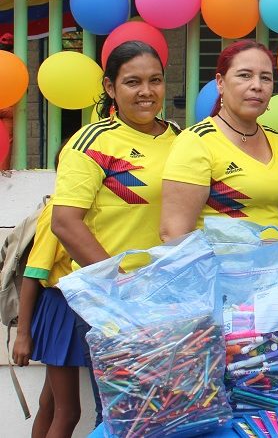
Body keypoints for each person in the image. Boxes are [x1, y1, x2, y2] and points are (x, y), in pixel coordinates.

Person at [50, 40, 179, 428]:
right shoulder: (92, 142)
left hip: (173, 300)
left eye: (155, 81)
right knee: (121, 416)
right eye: (133, 82)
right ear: (110, 88)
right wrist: (122, 286)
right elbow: (65, 221)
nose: (146, 92)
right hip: (112, 302)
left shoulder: (180, 137)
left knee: (173, 412)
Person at [160, 40, 278, 240]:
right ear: (220, 83)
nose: (257, 86)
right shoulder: (196, 142)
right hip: (221, 270)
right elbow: (173, 234)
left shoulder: (275, 139)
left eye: (265, 78)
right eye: (245, 75)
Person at [12, 199, 80, 438]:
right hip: (62, 310)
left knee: (51, 403)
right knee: (68, 412)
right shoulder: (59, 210)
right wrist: (23, 335)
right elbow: (34, 272)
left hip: (79, 307)